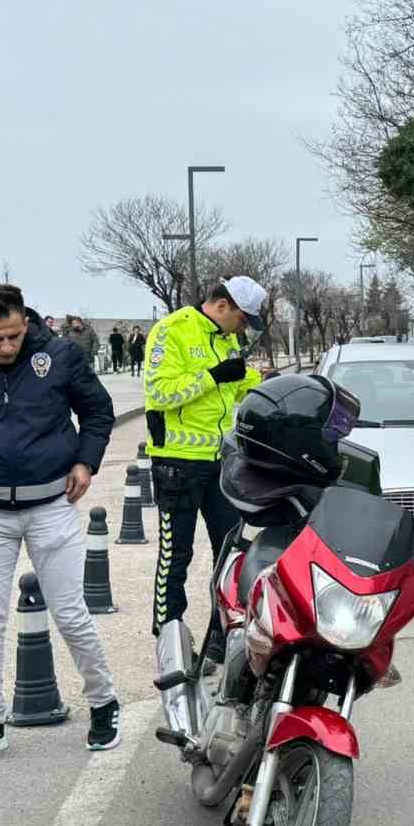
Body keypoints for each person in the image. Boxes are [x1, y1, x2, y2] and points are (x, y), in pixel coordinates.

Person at [0, 283, 123, 761]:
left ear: (26, 324)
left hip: (50, 507)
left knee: (70, 613)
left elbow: (98, 411)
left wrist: (86, 461)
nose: (6, 346)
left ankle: (104, 703)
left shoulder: (59, 356)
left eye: (14, 335)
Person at [143, 277, 267, 654]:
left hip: (221, 462)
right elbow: (160, 392)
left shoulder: (226, 339)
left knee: (228, 554)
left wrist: (264, 385)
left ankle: (221, 636)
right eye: (242, 319)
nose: (243, 328)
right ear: (223, 305)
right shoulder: (172, 330)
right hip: (177, 464)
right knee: (176, 555)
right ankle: (169, 640)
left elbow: (236, 384)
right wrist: (213, 376)